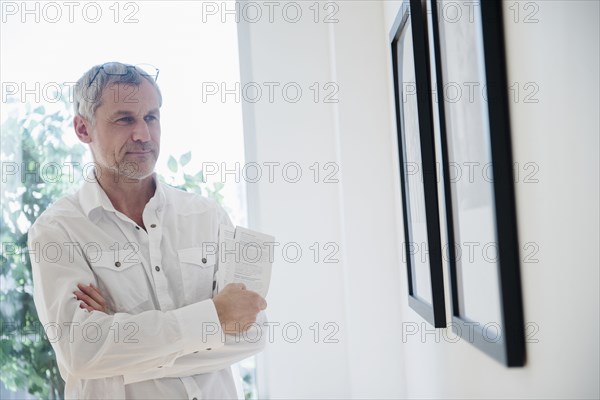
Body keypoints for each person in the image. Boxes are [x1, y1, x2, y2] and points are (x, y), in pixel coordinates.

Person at [28, 62, 268, 399]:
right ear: (83, 129)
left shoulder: (207, 215)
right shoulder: (57, 232)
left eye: (151, 117)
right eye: (125, 119)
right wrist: (214, 317)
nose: (143, 134)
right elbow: (80, 351)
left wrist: (121, 346)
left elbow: (253, 330)